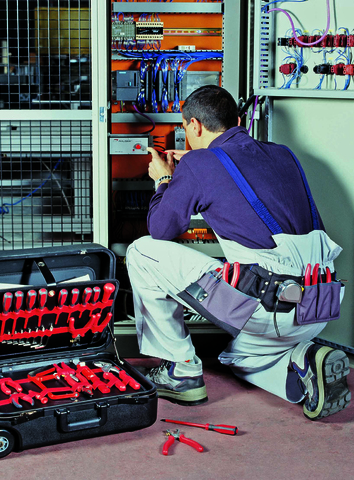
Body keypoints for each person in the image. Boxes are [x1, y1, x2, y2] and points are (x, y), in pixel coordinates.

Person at [126, 85, 350, 420]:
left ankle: (180, 371)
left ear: (194, 126)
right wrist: (199, 165)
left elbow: (160, 229)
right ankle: (303, 359)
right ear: (238, 121)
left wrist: (165, 180)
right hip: (319, 306)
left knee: (142, 252)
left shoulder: (199, 164)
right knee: (239, 358)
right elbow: (236, 174)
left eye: (185, 128)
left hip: (268, 309)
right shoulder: (283, 154)